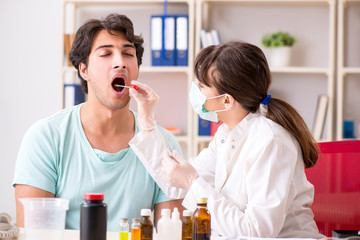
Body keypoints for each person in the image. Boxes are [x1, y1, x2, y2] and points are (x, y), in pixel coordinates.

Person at [129, 41, 325, 238]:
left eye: (201, 86)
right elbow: (176, 182)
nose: (195, 92)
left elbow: (257, 232)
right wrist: (147, 121)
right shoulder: (227, 134)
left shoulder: (270, 141)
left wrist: (192, 181)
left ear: (226, 100)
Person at [12, 13, 184, 231]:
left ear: (137, 69)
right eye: (105, 54)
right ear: (84, 70)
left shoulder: (163, 145)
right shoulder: (45, 138)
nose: (120, 63)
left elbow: (173, 232)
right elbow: (33, 234)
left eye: (128, 54)